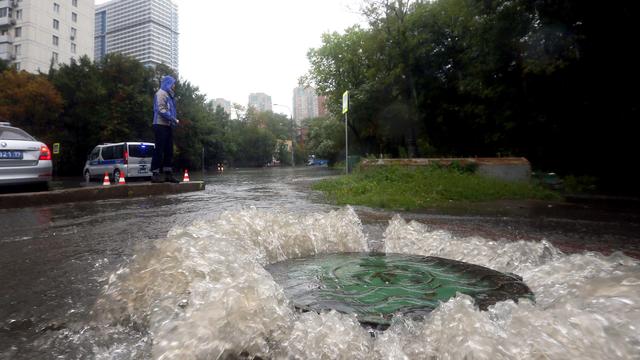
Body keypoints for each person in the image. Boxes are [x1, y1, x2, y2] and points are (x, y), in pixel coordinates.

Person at [151, 75, 180, 183]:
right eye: (173, 84)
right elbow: (160, 109)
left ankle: (168, 174)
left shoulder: (169, 95)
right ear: (168, 83)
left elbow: (171, 110)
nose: (174, 86)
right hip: (159, 125)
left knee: (169, 150)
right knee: (159, 149)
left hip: (168, 125)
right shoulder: (160, 93)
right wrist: (173, 119)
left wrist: (173, 121)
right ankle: (155, 174)